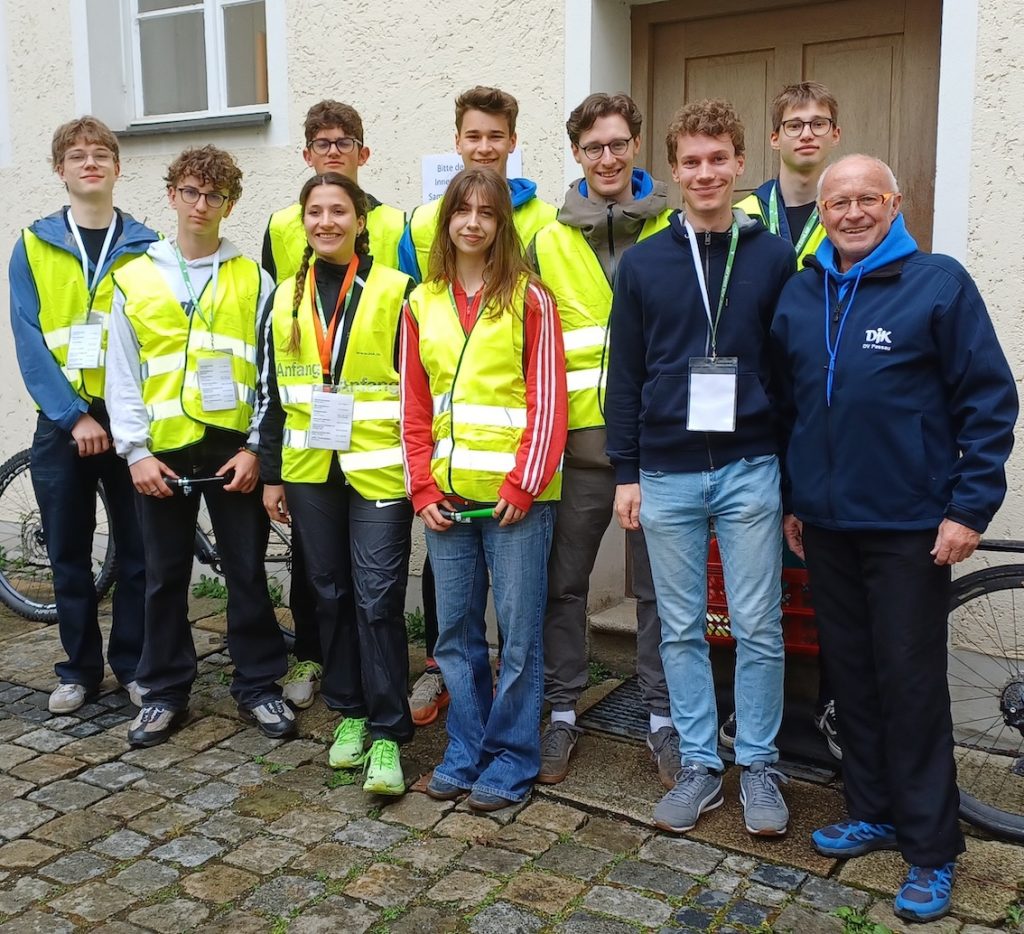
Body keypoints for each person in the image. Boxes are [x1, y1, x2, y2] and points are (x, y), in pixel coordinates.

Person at [770, 154, 1017, 922]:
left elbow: (988, 402)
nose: (851, 213)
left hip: (911, 528)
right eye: (837, 202)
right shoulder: (802, 293)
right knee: (852, 678)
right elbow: (793, 408)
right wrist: (796, 500)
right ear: (822, 213)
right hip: (827, 527)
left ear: (894, 203)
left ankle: (932, 849)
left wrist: (969, 508)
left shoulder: (937, 285)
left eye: (866, 199)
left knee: (911, 688)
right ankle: (873, 810)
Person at [606, 99, 796, 836]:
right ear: (675, 170)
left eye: (719, 159)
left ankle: (760, 765)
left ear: (741, 164)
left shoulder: (773, 256)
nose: (706, 172)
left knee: (757, 624)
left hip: (749, 464)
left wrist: (791, 476)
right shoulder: (644, 262)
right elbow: (625, 375)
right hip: (667, 471)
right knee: (680, 627)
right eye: (692, 161)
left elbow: (790, 372)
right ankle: (698, 764)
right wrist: (626, 472)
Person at [107, 145, 294, 747]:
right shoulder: (134, 277)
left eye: (215, 195)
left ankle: (259, 685)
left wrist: (257, 450)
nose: (201, 204)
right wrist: (135, 452)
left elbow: (270, 375)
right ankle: (163, 692)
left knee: (246, 572)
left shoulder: (254, 278)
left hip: (232, 451)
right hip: (161, 453)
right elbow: (121, 373)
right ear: (172, 195)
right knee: (163, 577)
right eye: (190, 191)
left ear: (230, 204)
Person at [401, 167, 567, 810]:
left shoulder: (531, 298)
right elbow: (414, 406)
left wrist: (524, 484)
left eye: (487, 212)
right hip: (447, 502)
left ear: (502, 224)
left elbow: (549, 399)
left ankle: (512, 757)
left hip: (514, 502)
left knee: (518, 639)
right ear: (446, 220)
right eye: (462, 210)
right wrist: (421, 488)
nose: (473, 223)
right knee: (455, 637)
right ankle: (464, 752)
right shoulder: (421, 303)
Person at [529, 92, 678, 788]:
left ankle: (662, 718)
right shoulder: (546, 239)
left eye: (619, 144)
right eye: (594, 147)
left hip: (660, 448)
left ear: (636, 145)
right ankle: (562, 710)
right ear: (576, 153)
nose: (608, 158)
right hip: (578, 449)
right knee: (563, 586)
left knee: (659, 592)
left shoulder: (677, 226)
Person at [257, 173, 415, 795]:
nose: (326, 222)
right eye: (315, 212)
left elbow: (418, 388)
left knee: (377, 598)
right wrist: (272, 474)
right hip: (309, 471)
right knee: (329, 593)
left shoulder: (396, 290)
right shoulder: (283, 298)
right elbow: (272, 394)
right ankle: (349, 710)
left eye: (338, 211)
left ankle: (389, 730)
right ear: (303, 222)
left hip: (378, 468)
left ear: (360, 221)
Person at [9, 116, 156, 714]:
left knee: (139, 551)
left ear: (118, 167)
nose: (89, 163)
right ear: (60, 170)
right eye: (77, 156)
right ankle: (79, 670)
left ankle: (134, 666)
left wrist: (124, 419)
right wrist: (73, 416)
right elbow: (28, 340)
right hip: (62, 422)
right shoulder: (33, 244)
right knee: (69, 553)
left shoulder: (147, 246)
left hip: (128, 420)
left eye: (100, 154)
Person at [723, 81, 843, 757]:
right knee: (747, 573)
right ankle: (742, 707)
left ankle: (832, 705)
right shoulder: (743, 211)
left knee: (826, 563)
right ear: (774, 139)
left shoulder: (851, 207)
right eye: (794, 124)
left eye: (818, 123)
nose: (806, 133)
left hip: (826, 408)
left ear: (834, 135)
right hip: (753, 409)